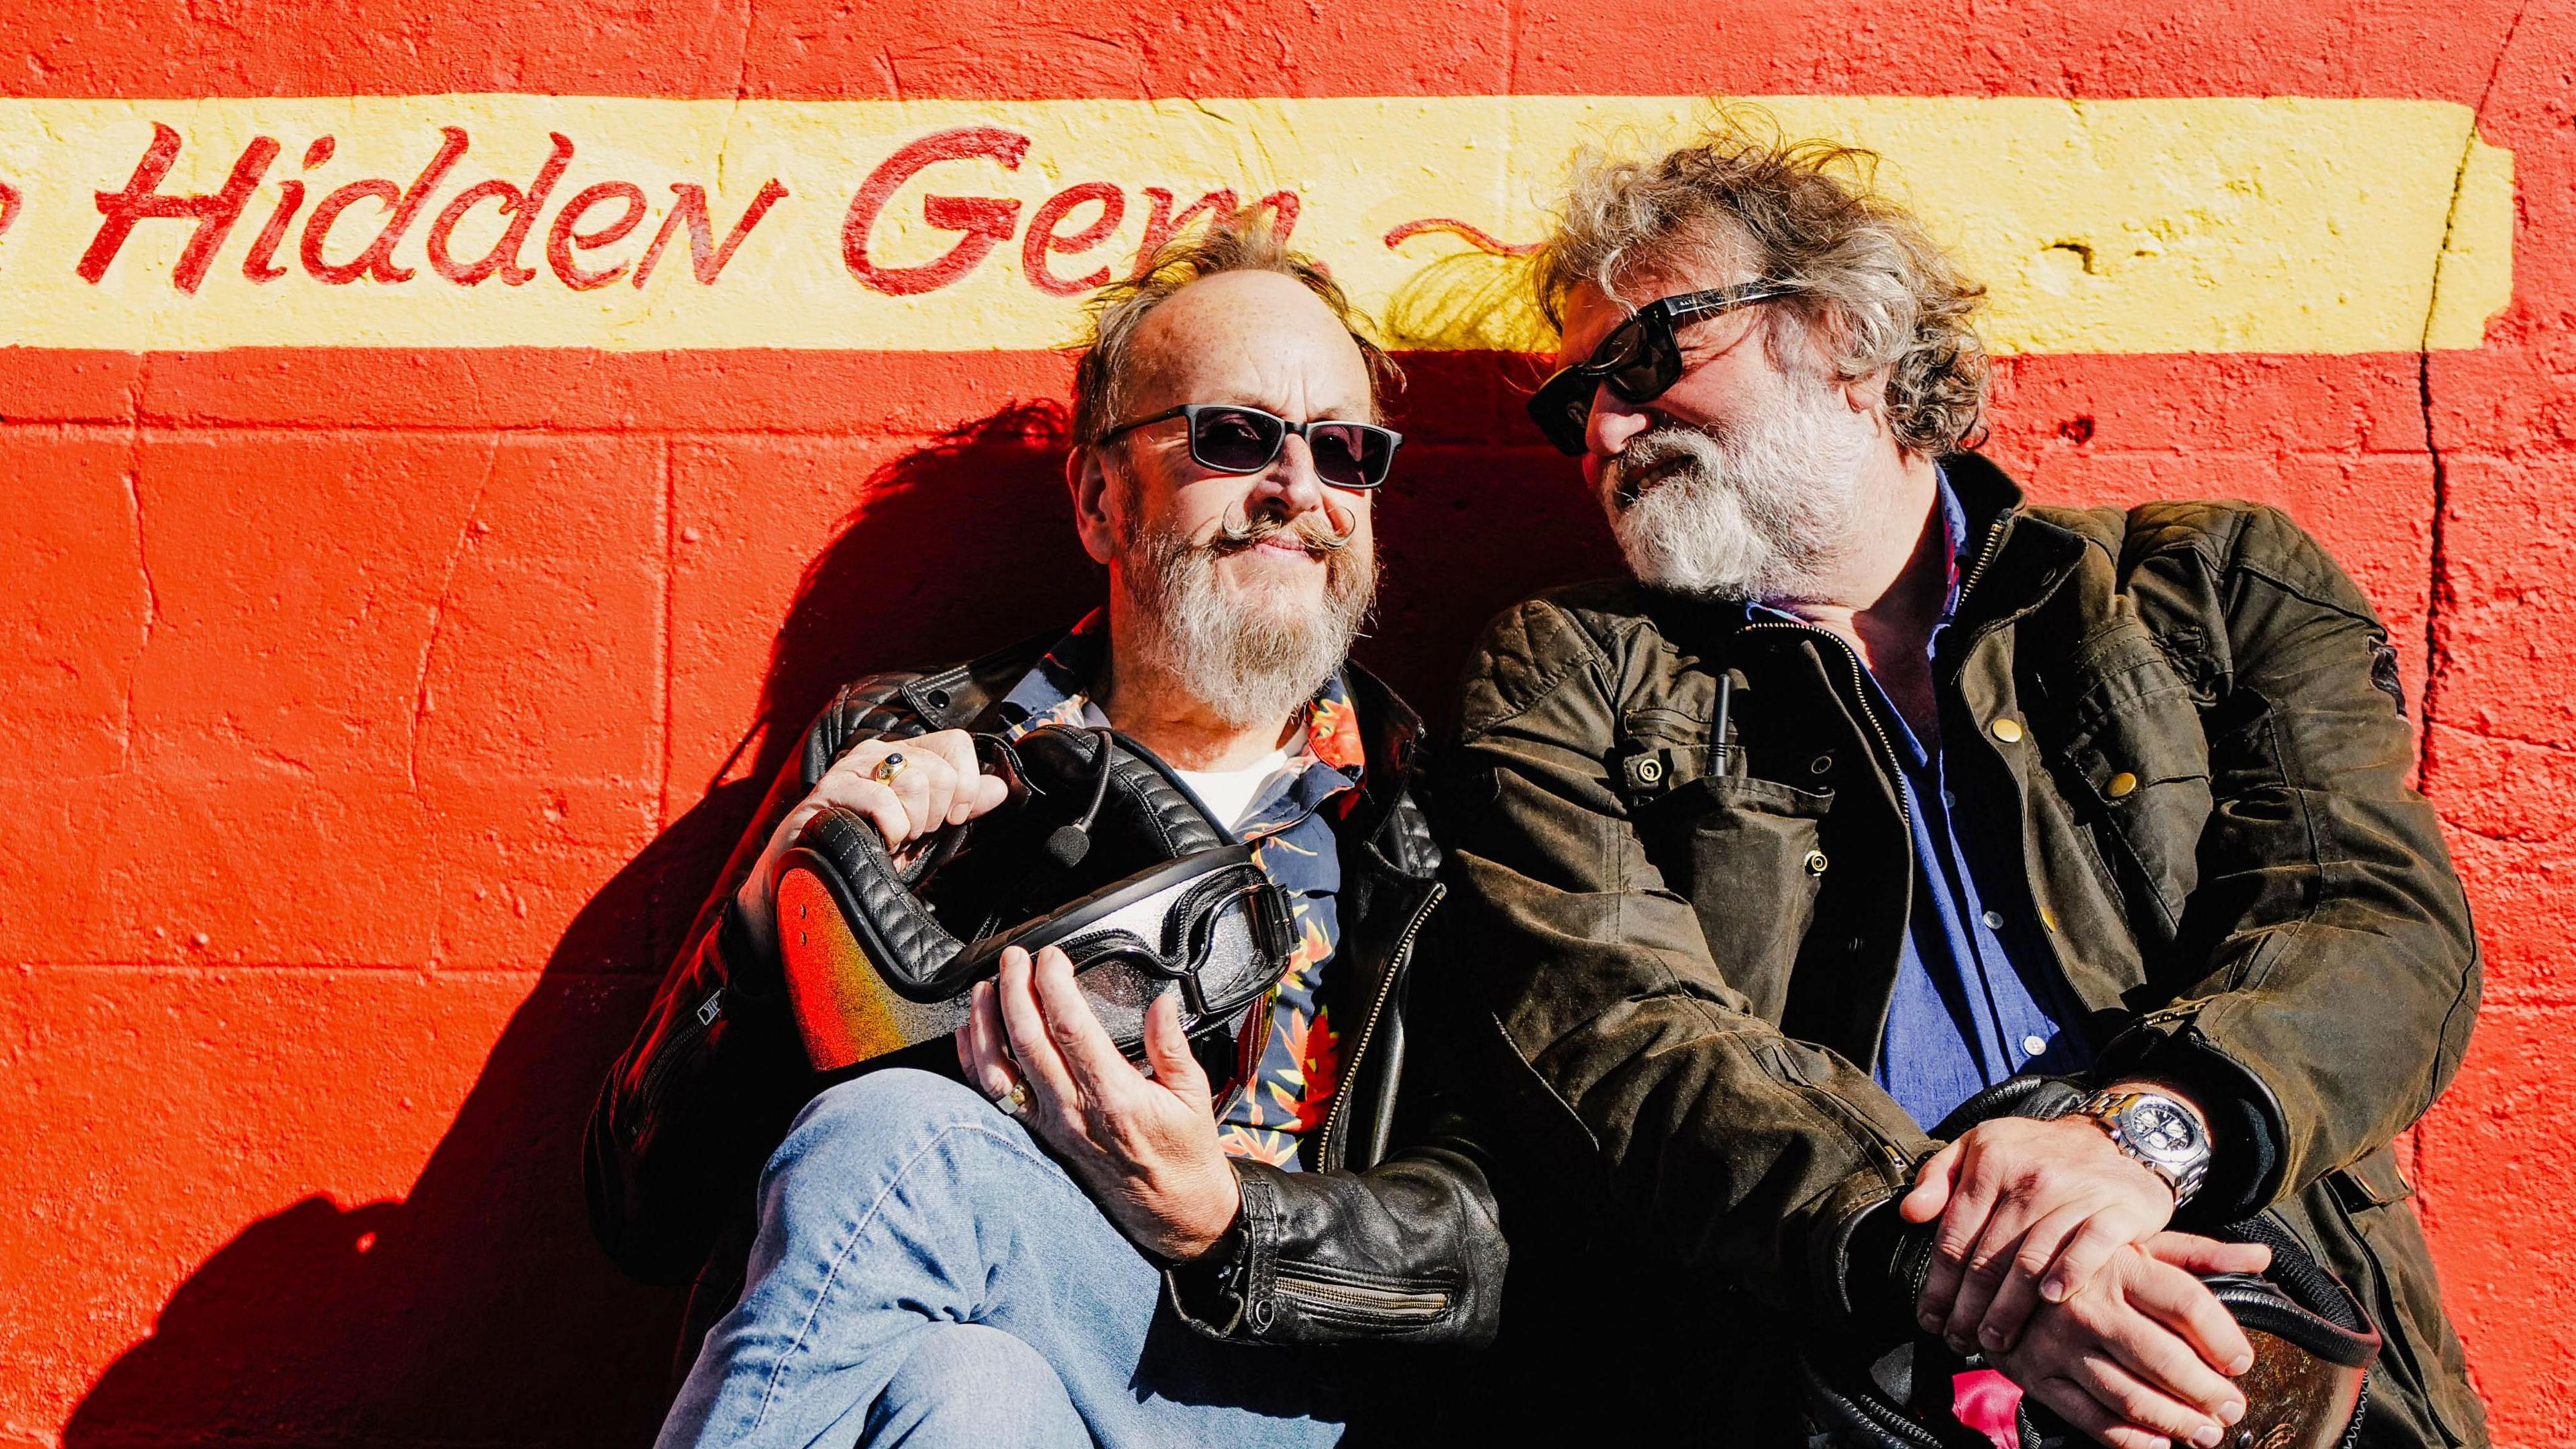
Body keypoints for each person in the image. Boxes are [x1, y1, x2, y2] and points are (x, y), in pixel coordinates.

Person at [1440, 117, 2484, 1448]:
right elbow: (1620, 1031)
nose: (1604, 424)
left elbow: (2377, 924)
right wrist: (1975, 1268)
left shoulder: (2215, 588)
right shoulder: (1573, 669)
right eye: (1570, 400)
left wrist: (2137, 1144)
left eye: (1651, 353)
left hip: (2256, 1345)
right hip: (1854, 1379)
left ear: (1851, 337)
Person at [584, 214, 1502, 1448]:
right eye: (1235, 440)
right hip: (958, 1374)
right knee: (971, 1391)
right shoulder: (909, 751)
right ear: (1097, 497)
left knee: (908, 1141)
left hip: (1259, 1395)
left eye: (1344, 453)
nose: (1300, 492)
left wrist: (1225, 1218)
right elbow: (646, 1214)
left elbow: (1489, 1245)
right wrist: (768, 925)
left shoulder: (1424, 820)